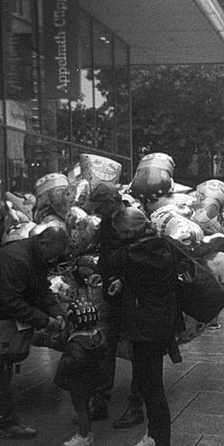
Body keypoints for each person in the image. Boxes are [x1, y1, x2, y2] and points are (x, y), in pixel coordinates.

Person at [97, 207, 183, 446]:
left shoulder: (134, 252)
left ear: (131, 231)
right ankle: (153, 436)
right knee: (147, 385)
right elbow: (151, 279)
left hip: (148, 327)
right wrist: (126, 283)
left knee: (153, 388)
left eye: (121, 232)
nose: (119, 236)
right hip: (157, 323)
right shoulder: (158, 246)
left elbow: (106, 263)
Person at [0, 224, 68, 439]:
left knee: (1, 367)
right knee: (1, 366)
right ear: (43, 243)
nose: (55, 258)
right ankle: (3, 420)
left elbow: (41, 289)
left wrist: (57, 311)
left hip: (2, 316)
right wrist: (46, 320)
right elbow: (11, 301)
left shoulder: (37, 257)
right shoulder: (16, 259)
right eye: (54, 253)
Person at [84, 184, 144, 429]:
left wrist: (124, 280)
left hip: (134, 297)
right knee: (103, 346)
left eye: (99, 208)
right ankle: (100, 401)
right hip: (111, 295)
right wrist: (101, 273)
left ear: (110, 202)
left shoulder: (134, 219)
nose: (98, 213)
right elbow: (106, 254)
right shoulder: (107, 224)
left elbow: (144, 259)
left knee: (138, 351)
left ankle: (136, 405)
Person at [54, 298, 108, 446]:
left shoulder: (77, 344)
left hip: (78, 382)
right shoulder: (96, 338)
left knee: (81, 409)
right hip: (92, 379)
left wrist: (63, 366)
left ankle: (83, 435)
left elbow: (71, 362)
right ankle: (87, 432)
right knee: (86, 407)